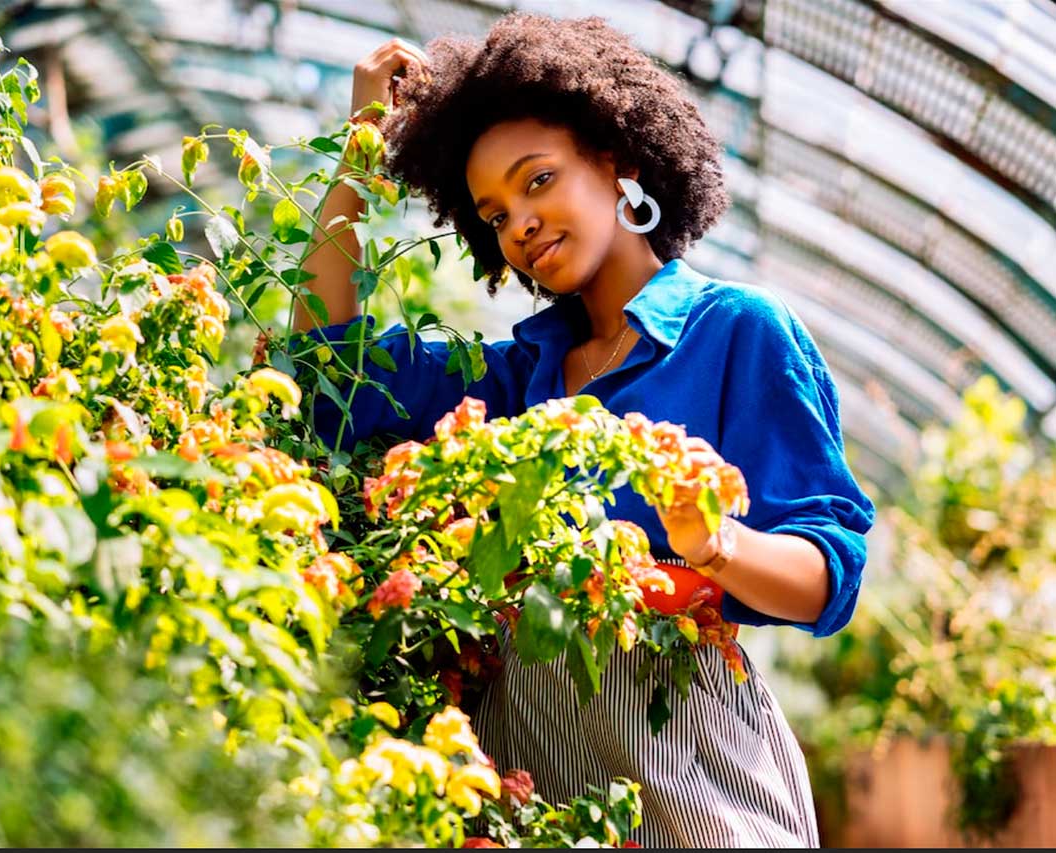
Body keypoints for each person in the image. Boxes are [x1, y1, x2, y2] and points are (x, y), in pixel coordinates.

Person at [291, 13, 874, 847]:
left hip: (692, 769)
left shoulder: (735, 331)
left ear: (618, 161)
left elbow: (828, 576)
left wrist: (714, 545)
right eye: (492, 215)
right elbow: (325, 370)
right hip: (528, 774)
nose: (518, 224)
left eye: (537, 181)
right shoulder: (512, 380)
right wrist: (358, 144)